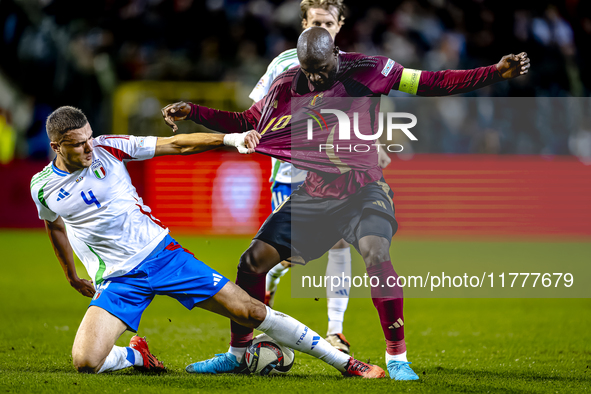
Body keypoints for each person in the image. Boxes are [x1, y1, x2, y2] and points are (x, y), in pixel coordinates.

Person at [161, 27, 530, 380]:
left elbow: (433, 82)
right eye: (310, 71)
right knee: (252, 262)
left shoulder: (371, 69)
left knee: (375, 253)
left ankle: (396, 356)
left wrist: (495, 73)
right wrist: (193, 110)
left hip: (364, 190)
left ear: (336, 54)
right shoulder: (286, 84)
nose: (317, 79)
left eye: (321, 70)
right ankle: (238, 353)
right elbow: (245, 121)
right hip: (316, 193)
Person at [30, 105, 387, 378]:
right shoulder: (43, 187)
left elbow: (177, 144)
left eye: (89, 138)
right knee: (86, 362)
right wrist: (72, 275)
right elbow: (55, 227)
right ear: (57, 146)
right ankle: (137, 355)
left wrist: (231, 140)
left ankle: (346, 362)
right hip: (118, 280)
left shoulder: (109, 148)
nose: (89, 148)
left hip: (162, 256)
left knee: (249, 310)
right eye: (78, 145)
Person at [249, 0, 391, 355]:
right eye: (316, 22)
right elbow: (258, 114)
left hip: (337, 175)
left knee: (341, 242)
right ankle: (267, 289)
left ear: (340, 25)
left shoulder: (354, 68)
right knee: (285, 257)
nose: (322, 29)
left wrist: (374, 144)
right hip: (290, 174)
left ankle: (335, 330)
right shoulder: (283, 64)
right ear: (303, 23)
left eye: (328, 23)